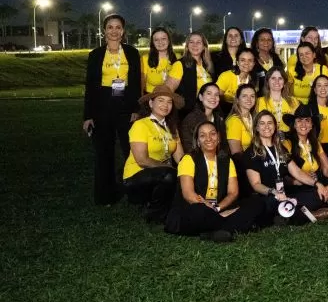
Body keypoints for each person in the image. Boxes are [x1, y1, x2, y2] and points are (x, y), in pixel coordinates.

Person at [165, 121, 264, 242]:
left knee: (256, 202)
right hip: (194, 208)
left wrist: (217, 209)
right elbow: (189, 195)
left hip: (218, 207)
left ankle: (212, 231)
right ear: (197, 141)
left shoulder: (227, 161)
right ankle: (232, 225)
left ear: (218, 137)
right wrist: (213, 210)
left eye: (212, 134)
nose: (208, 138)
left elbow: (233, 193)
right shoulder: (188, 159)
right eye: (202, 135)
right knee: (199, 211)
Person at [84, 13, 143, 205]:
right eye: (110, 27)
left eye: (118, 27)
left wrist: (136, 108)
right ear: (104, 31)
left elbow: (136, 83)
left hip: (126, 106)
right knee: (104, 152)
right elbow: (90, 87)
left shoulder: (132, 53)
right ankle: (105, 196)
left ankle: (135, 193)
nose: (114, 31)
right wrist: (88, 116)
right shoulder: (96, 55)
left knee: (130, 150)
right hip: (102, 106)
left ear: (123, 31)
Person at [245, 111, 328, 226]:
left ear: (275, 126)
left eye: (270, 123)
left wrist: (316, 183)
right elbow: (256, 184)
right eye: (262, 123)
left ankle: (287, 215)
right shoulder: (251, 153)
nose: (266, 127)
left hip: (286, 195)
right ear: (256, 127)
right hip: (267, 197)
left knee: (315, 194)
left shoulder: (280, 148)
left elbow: (296, 171)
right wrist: (274, 192)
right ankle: (307, 216)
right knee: (275, 203)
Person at [121, 85, 185, 220]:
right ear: (151, 103)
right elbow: (142, 160)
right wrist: (169, 168)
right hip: (136, 176)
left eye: (169, 102)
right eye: (160, 100)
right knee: (169, 175)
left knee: (181, 175)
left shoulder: (172, 128)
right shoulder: (140, 125)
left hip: (163, 174)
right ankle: (154, 214)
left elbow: (180, 158)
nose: (165, 105)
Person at [282, 105, 328, 210]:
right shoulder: (287, 144)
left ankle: (322, 203)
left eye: (307, 121)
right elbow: (285, 175)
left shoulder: (315, 143)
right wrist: (297, 181)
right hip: (299, 184)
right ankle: (326, 203)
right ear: (294, 125)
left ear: (312, 125)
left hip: (318, 180)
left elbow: (327, 168)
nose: (303, 124)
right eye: (299, 121)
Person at [164, 32, 213, 119]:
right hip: (188, 115)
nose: (195, 45)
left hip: (208, 113)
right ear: (187, 46)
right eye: (191, 42)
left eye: (198, 42)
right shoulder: (179, 64)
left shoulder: (208, 65)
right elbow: (167, 91)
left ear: (204, 46)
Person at [179, 82, 225, 153]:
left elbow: (223, 144)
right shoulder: (191, 119)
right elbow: (189, 147)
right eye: (209, 93)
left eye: (216, 94)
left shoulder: (219, 118)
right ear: (200, 97)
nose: (213, 97)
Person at [256, 67, 298, 136]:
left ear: (284, 82)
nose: (277, 81)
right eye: (273, 78)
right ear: (267, 81)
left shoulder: (294, 101)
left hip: (289, 141)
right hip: (267, 140)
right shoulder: (259, 101)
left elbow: (297, 125)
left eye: (280, 78)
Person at [307, 75, 328, 157]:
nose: (323, 88)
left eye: (326, 85)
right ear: (314, 89)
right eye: (319, 85)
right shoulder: (308, 109)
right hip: (315, 149)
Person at [140, 26, 176, 94]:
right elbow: (142, 84)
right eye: (156, 40)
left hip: (171, 97)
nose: (160, 42)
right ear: (152, 43)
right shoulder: (144, 59)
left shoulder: (177, 58)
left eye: (163, 39)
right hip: (151, 97)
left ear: (168, 40)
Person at [249, 28, 284, 94]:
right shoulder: (250, 59)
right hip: (256, 100)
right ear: (256, 43)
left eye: (269, 40)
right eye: (262, 40)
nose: (266, 42)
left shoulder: (278, 59)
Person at [226, 84, 257, 156]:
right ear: (237, 100)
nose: (249, 99)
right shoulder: (234, 120)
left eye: (252, 96)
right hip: (243, 164)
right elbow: (236, 153)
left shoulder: (253, 118)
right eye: (244, 96)